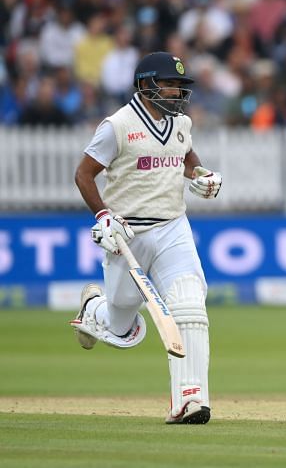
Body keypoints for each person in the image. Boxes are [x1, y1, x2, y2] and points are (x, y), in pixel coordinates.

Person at [70, 52, 223, 424]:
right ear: (144, 84)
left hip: (173, 226)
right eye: (169, 84)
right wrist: (104, 216)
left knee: (189, 304)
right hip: (128, 232)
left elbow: (186, 155)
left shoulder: (181, 122)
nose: (176, 93)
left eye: (180, 86)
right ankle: (94, 308)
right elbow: (84, 175)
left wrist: (199, 175)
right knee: (121, 324)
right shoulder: (117, 125)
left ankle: (191, 399)